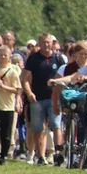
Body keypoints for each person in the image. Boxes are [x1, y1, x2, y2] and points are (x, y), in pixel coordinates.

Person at [22, 34, 62, 165]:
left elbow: (65, 75)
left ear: (52, 43)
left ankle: (58, 154)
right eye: (44, 42)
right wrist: (28, 93)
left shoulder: (58, 58)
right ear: (39, 43)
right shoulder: (33, 58)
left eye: (49, 42)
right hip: (37, 98)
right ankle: (41, 156)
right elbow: (25, 78)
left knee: (56, 125)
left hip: (54, 97)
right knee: (38, 129)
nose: (46, 45)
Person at [0, 45, 21, 166]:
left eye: (5, 55)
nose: (2, 57)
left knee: (6, 134)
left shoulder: (12, 72)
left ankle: (4, 155)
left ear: (9, 57)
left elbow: (17, 90)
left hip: (8, 106)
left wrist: (3, 86)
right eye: (1, 54)